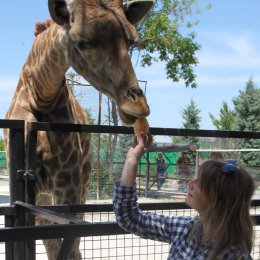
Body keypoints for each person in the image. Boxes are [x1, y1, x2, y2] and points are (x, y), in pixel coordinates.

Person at [113, 133, 255, 260]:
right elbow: (130, 218)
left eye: (199, 182)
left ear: (218, 199)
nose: (190, 183)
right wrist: (132, 160)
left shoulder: (236, 255)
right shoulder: (184, 229)